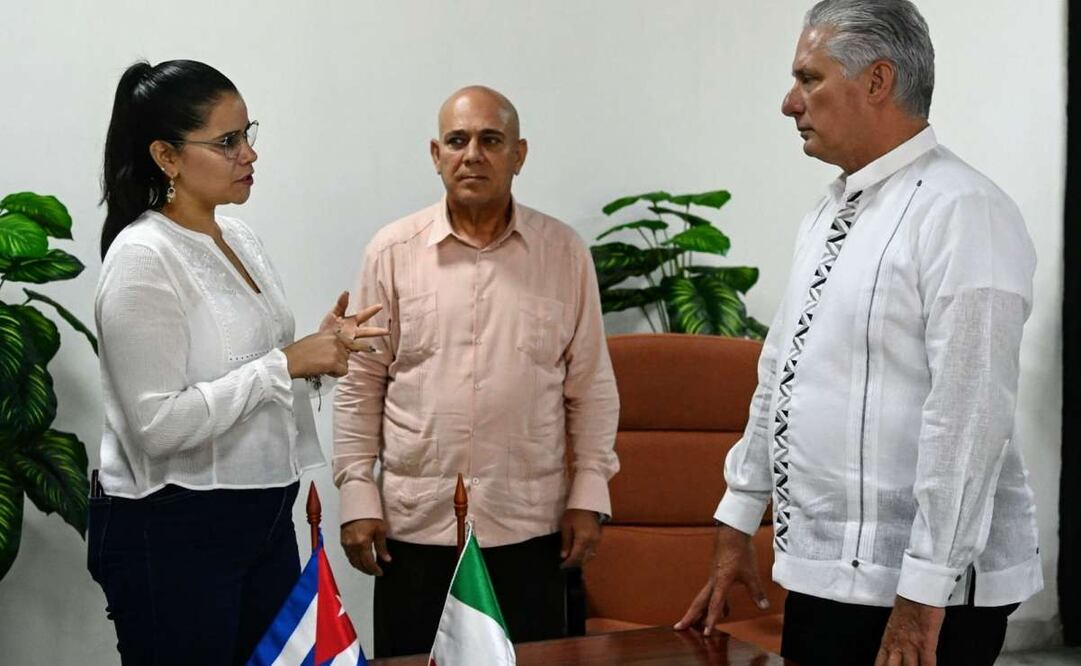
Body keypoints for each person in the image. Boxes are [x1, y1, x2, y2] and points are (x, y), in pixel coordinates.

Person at [674, 2, 1041, 664]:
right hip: (823, 578)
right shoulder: (827, 213)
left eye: (809, 78)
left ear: (876, 82)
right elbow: (779, 373)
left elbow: (967, 420)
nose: (790, 103)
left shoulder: (965, 212)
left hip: (921, 596)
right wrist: (737, 517)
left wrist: (921, 598)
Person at [89, 59, 386, 666]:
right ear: (166, 158)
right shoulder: (142, 257)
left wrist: (322, 351)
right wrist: (285, 364)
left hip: (263, 512)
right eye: (227, 142)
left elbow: (252, 366)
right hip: (174, 525)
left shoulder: (240, 236)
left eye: (249, 133)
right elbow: (157, 428)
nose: (249, 153)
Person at [333, 85, 620, 657]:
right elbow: (361, 385)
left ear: (519, 154)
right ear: (435, 154)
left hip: (530, 528)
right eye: (457, 141)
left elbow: (591, 387)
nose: (473, 155)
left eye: (491, 140)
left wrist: (589, 493)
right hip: (414, 531)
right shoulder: (391, 253)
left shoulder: (563, 253)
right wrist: (358, 494)